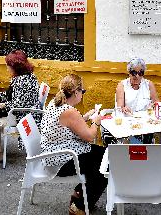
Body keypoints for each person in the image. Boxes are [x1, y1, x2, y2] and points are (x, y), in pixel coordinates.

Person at [40, 74, 107, 215]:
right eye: (82, 91)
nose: (82, 94)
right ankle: (79, 205)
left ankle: (80, 192)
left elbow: (68, 124)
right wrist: (96, 121)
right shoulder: (70, 111)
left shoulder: (56, 102)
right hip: (59, 161)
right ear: (76, 92)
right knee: (105, 164)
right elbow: (89, 136)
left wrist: (86, 117)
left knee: (103, 154)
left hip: (53, 153)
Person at [0, 49, 41, 169]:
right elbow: (11, 95)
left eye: (8, 66)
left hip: (23, 116)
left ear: (15, 67)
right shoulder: (25, 77)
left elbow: (19, 105)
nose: (7, 68)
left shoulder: (22, 81)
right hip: (21, 113)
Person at [114, 58, 158, 144]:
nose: (137, 76)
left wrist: (153, 106)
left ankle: (144, 152)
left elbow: (157, 104)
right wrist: (123, 108)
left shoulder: (149, 84)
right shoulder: (122, 85)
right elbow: (119, 108)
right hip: (128, 123)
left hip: (146, 124)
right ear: (129, 73)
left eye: (140, 73)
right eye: (134, 72)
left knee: (146, 139)